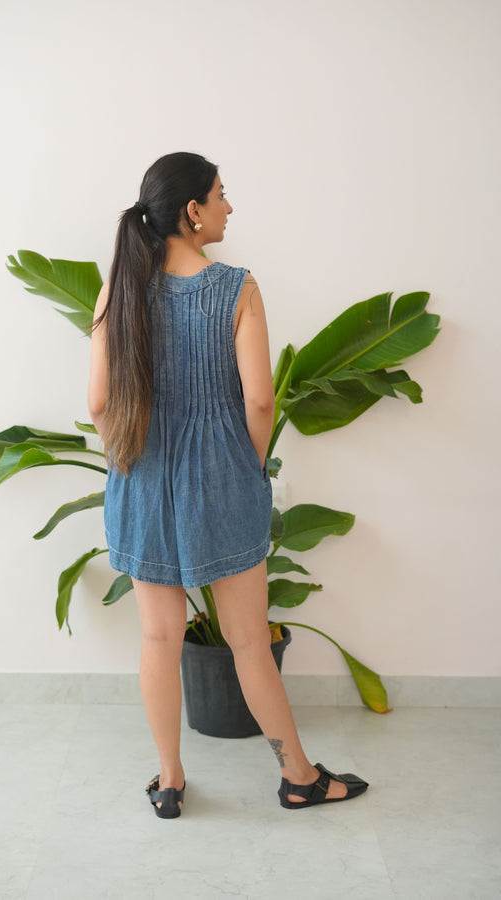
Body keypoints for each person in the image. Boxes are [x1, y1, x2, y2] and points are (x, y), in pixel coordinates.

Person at [87, 152, 368, 818]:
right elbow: (261, 402)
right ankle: (297, 775)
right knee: (249, 640)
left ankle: (170, 780)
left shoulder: (118, 289)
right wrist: (245, 466)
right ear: (192, 211)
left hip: (140, 473)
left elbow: (99, 402)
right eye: (221, 194)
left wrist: (131, 457)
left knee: (158, 638)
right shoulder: (237, 288)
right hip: (223, 475)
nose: (229, 207)